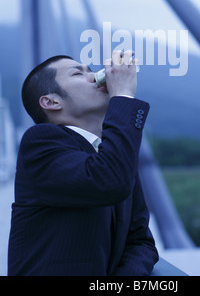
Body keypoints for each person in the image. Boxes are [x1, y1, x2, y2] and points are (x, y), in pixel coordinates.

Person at [8, 50, 159, 276]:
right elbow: (108, 181)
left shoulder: (114, 154)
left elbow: (141, 241)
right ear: (51, 101)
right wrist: (123, 97)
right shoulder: (40, 142)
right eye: (78, 74)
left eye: (91, 71)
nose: (94, 76)